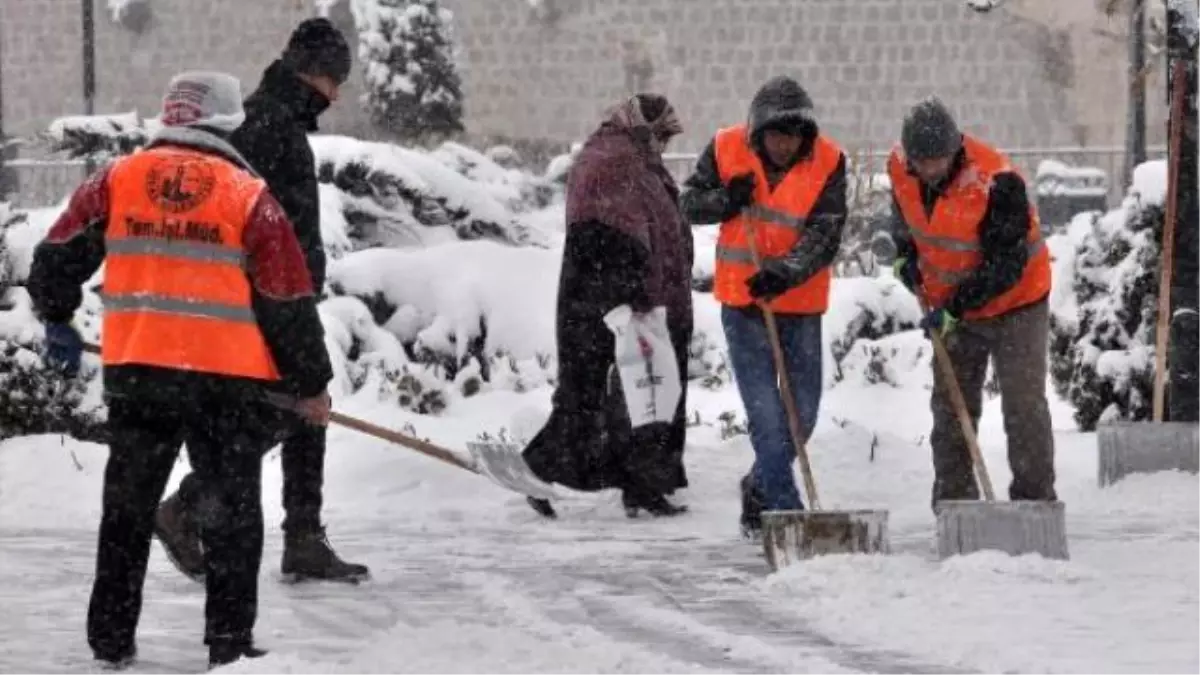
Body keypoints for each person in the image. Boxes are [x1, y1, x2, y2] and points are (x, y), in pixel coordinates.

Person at [27, 71, 333, 669]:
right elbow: (287, 300)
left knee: (127, 508)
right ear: (227, 121)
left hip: (139, 374)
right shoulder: (249, 197)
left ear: (169, 116)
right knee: (232, 515)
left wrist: (57, 315)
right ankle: (229, 644)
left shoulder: (116, 180)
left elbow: (57, 257)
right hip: (226, 385)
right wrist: (310, 384)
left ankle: (110, 639)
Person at [153, 18, 369, 585]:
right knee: (290, 407)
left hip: (257, 298)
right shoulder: (275, 131)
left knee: (293, 413)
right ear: (312, 73)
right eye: (333, 80)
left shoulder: (255, 119)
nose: (336, 95)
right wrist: (289, 309)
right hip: (271, 300)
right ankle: (197, 509)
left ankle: (301, 536)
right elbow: (280, 235)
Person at [680, 75, 848, 539]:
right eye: (775, 135)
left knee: (802, 417)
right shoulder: (725, 147)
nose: (783, 145)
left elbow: (826, 232)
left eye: (792, 136)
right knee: (766, 416)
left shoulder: (829, 162)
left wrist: (786, 271)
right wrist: (725, 201)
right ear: (758, 132)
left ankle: (759, 484)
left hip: (800, 304)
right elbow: (688, 203)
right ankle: (787, 509)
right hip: (743, 305)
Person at [521, 93, 694, 520]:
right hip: (603, 290)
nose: (665, 146)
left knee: (649, 390)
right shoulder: (612, 160)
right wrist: (628, 291)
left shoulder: (634, 160)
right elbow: (603, 228)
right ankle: (542, 471)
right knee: (608, 392)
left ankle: (643, 485)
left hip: (629, 291)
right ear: (644, 128)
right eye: (662, 136)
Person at [883, 96, 1056, 509]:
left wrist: (954, 308)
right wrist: (905, 255)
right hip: (953, 307)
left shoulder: (996, 180)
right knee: (951, 408)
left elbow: (1007, 264)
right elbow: (904, 216)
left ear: (955, 149)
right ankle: (955, 503)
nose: (930, 170)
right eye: (922, 162)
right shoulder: (900, 167)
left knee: (1023, 405)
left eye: (939, 160)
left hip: (1018, 303)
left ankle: (1034, 502)